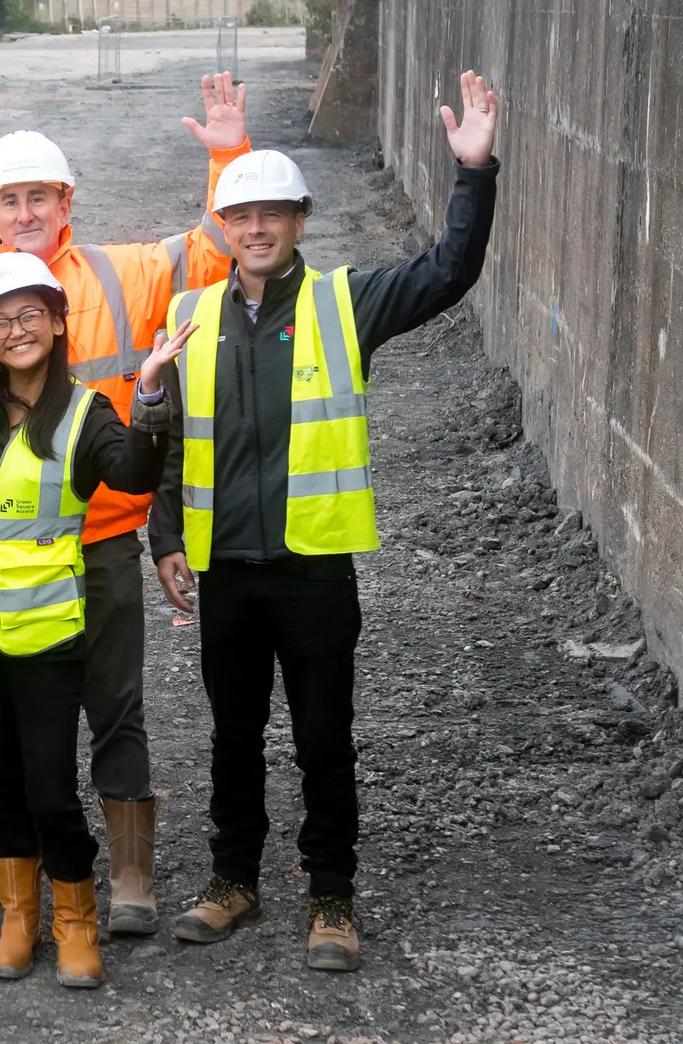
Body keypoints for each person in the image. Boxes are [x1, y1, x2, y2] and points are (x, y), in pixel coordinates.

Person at [151, 71, 500, 972]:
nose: (257, 228)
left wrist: (474, 173)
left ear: (300, 222)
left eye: (274, 214)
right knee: (232, 736)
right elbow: (170, 442)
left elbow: (447, 272)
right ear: (222, 230)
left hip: (313, 571)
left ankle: (331, 893)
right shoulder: (190, 315)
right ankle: (233, 879)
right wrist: (163, 540)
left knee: (321, 738)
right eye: (242, 216)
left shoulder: (347, 303)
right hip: (225, 569)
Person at [0, 74, 251, 936]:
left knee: (113, 703)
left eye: (40, 195)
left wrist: (228, 156)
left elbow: (216, 250)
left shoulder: (126, 273)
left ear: (68, 200)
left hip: (99, 541)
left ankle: (131, 875)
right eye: (9, 198)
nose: (25, 210)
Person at [0, 252, 190, 987]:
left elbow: (134, 473)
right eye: (0, 321)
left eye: (30, 315)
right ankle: (19, 919)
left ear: (55, 321)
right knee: (1, 780)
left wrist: (148, 394)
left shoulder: (84, 409)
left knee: (50, 787)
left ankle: (74, 922)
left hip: (44, 633)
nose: (17, 331)